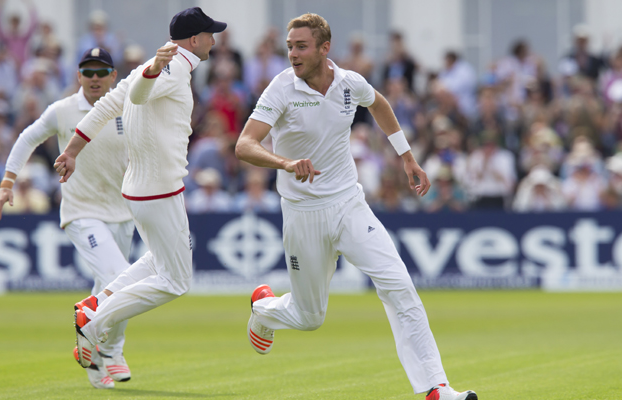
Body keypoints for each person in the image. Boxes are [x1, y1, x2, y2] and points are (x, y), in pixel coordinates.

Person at [234, 13, 477, 400]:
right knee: (309, 318)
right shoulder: (280, 89)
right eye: (290, 47)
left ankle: (436, 387)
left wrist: (407, 156)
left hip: (349, 204)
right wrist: (285, 162)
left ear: (324, 49)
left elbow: (378, 103)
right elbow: (244, 144)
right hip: (303, 213)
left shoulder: (349, 83)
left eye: (301, 46)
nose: (293, 54)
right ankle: (264, 310)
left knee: (399, 286)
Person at [52, 6, 226, 375]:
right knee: (177, 281)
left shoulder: (159, 64)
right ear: (194, 40)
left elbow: (107, 106)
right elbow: (138, 97)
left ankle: (95, 303)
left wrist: (72, 150)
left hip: (142, 189)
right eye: (210, 33)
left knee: (160, 260)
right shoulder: (172, 65)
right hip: (158, 189)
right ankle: (94, 321)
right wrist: (150, 71)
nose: (214, 39)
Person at [0, 48, 134, 390]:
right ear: (78, 76)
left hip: (124, 212)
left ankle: (93, 354)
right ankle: (111, 350)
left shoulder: (128, 107)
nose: (95, 78)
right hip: (82, 211)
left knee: (110, 285)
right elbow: (27, 138)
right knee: (121, 278)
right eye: (88, 72)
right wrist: (6, 184)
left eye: (102, 72)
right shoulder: (63, 110)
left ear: (114, 76)